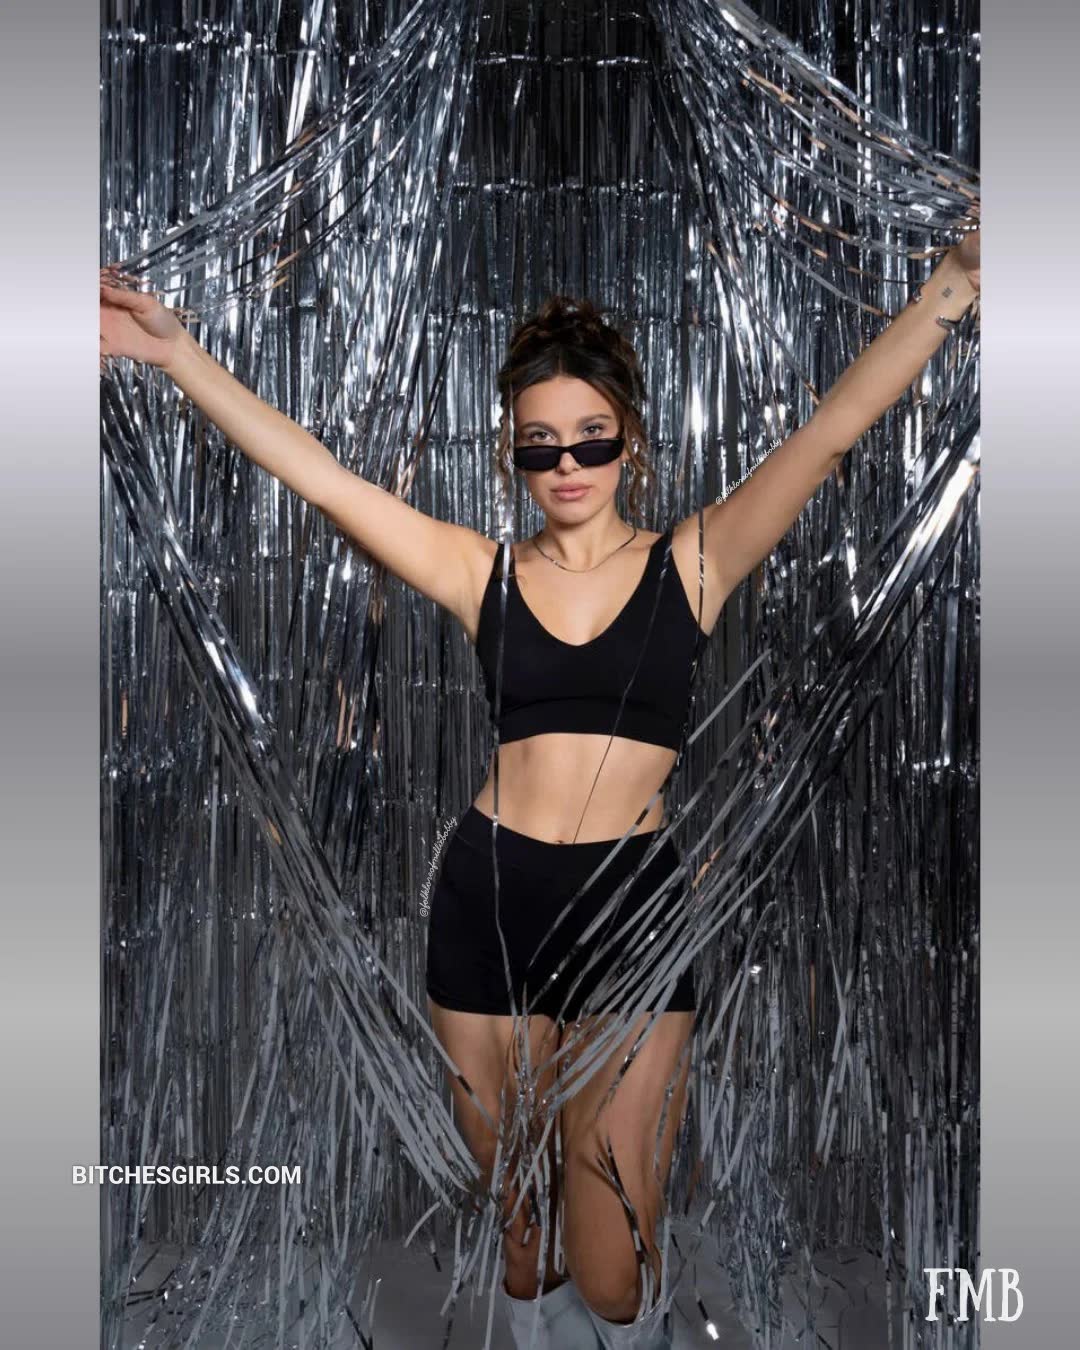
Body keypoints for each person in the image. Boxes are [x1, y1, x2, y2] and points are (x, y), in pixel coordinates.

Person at [100, 229, 979, 1349]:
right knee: (523, 1239)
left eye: (592, 439)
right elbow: (319, 477)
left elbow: (833, 429)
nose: (568, 466)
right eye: (540, 446)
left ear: (631, 442)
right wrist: (175, 354)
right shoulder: (484, 573)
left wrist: (955, 284)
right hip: (489, 904)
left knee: (612, 1267)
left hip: (633, 914)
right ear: (513, 453)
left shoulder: (694, 562)